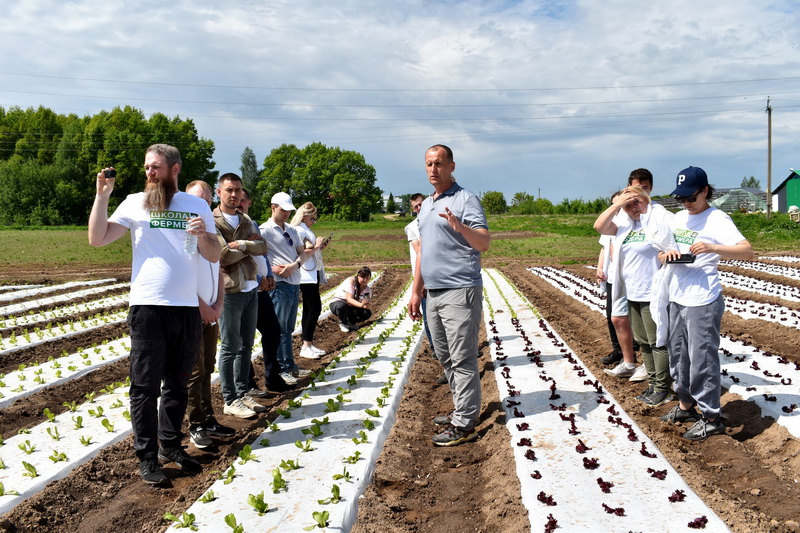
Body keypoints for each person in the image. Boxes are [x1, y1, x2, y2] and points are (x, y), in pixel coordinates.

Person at [88, 143, 221, 486]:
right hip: (148, 308)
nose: (149, 172)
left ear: (174, 169)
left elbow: (214, 253)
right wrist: (102, 196)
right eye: (147, 167)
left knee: (177, 385)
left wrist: (204, 234)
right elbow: (97, 238)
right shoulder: (135, 202)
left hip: (186, 310)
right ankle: (147, 457)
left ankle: (171, 447)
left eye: (156, 167)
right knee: (145, 388)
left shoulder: (196, 205)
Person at [658, 166, 753, 441]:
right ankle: (686, 405)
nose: (686, 204)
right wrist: (668, 255)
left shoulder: (717, 219)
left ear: (705, 191)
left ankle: (711, 417)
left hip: (703, 298)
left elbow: (747, 250)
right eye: (681, 199)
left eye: (691, 198)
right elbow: (663, 252)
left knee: (701, 360)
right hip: (677, 295)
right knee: (678, 357)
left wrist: (713, 248)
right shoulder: (677, 219)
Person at [408, 144, 490, 447]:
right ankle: (461, 409)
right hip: (433, 293)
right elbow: (424, 253)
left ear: (451, 167)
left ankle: (465, 422)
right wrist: (416, 291)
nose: (433, 169)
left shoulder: (466, 199)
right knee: (443, 354)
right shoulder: (427, 204)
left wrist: (460, 226)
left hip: (460, 289)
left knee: (462, 357)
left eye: (439, 164)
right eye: (429, 164)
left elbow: (483, 243)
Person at [594, 185, 673, 406]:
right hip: (632, 292)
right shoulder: (623, 227)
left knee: (657, 341)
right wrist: (619, 204)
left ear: (646, 200)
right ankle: (653, 384)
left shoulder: (657, 223)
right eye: (629, 205)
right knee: (643, 341)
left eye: (637, 202)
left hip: (653, 292)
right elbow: (599, 226)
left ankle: (663, 387)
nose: (633, 208)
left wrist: (635, 200)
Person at [184, 180, 235, 449]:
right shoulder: (186, 231)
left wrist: (219, 303)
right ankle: (196, 424)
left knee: (208, 367)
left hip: (212, 309)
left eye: (205, 200)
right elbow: (180, 275)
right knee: (195, 369)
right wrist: (203, 305)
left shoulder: (210, 229)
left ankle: (208, 417)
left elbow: (218, 269)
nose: (201, 204)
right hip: (192, 310)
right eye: (196, 200)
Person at [213, 173, 267, 419]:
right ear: (219, 192)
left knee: (246, 345)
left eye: (237, 190)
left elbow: (263, 247)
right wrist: (247, 246)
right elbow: (222, 255)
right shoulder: (213, 220)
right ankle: (230, 398)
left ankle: (243, 391)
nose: (234, 195)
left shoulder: (245, 218)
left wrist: (242, 246)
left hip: (250, 289)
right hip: (230, 291)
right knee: (229, 346)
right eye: (229, 190)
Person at [260, 192, 319, 385]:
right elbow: (259, 255)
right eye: (282, 209)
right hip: (279, 284)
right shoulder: (264, 230)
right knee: (279, 328)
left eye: (288, 210)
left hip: (294, 282)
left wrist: (295, 265)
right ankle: (282, 368)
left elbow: (302, 253)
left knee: (288, 328)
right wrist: (271, 268)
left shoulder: (292, 231)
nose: (286, 213)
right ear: (273, 207)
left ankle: (290, 365)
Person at [239, 189, 290, 394]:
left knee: (273, 330)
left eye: (243, 200)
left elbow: (262, 252)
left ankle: (272, 376)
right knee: (244, 339)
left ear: (249, 202)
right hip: (244, 287)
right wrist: (259, 278)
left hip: (260, 290)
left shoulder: (251, 223)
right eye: (236, 200)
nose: (239, 203)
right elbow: (241, 256)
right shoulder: (233, 225)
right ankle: (247, 382)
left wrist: (268, 275)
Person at [405, 192, 445, 385]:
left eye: (421, 205)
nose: (419, 208)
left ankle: (453, 351)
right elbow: (421, 250)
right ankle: (438, 351)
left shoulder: (435, 220)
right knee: (430, 318)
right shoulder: (412, 228)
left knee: (445, 317)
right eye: (416, 207)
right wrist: (417, 286)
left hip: (441, 276)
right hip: (423, 278)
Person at [290, 202, 329, 359]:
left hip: (311, 273)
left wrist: (320, 247)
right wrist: (317, 245)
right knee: (314, 308)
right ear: (305, 216)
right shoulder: (300, 230)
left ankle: (308, 344)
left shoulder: (304, 229)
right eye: (313, 218)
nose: (314, 221)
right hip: (306, 275)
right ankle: (306, 345)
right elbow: (305, 251)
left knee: (309, 308)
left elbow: (311, 250)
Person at [329, 266, 373, 331]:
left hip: (351, 307)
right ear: (358, 276)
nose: (365, 280)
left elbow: (366, 303)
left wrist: (366, 305)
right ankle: (343, 322)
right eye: (362, 277)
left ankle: (352, 322)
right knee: (342, 306)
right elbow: (349, 299)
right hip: (338, 303)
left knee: (366, 313)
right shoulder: (351, 281)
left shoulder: (367, 290)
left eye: (367, 278)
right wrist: (361, 305)